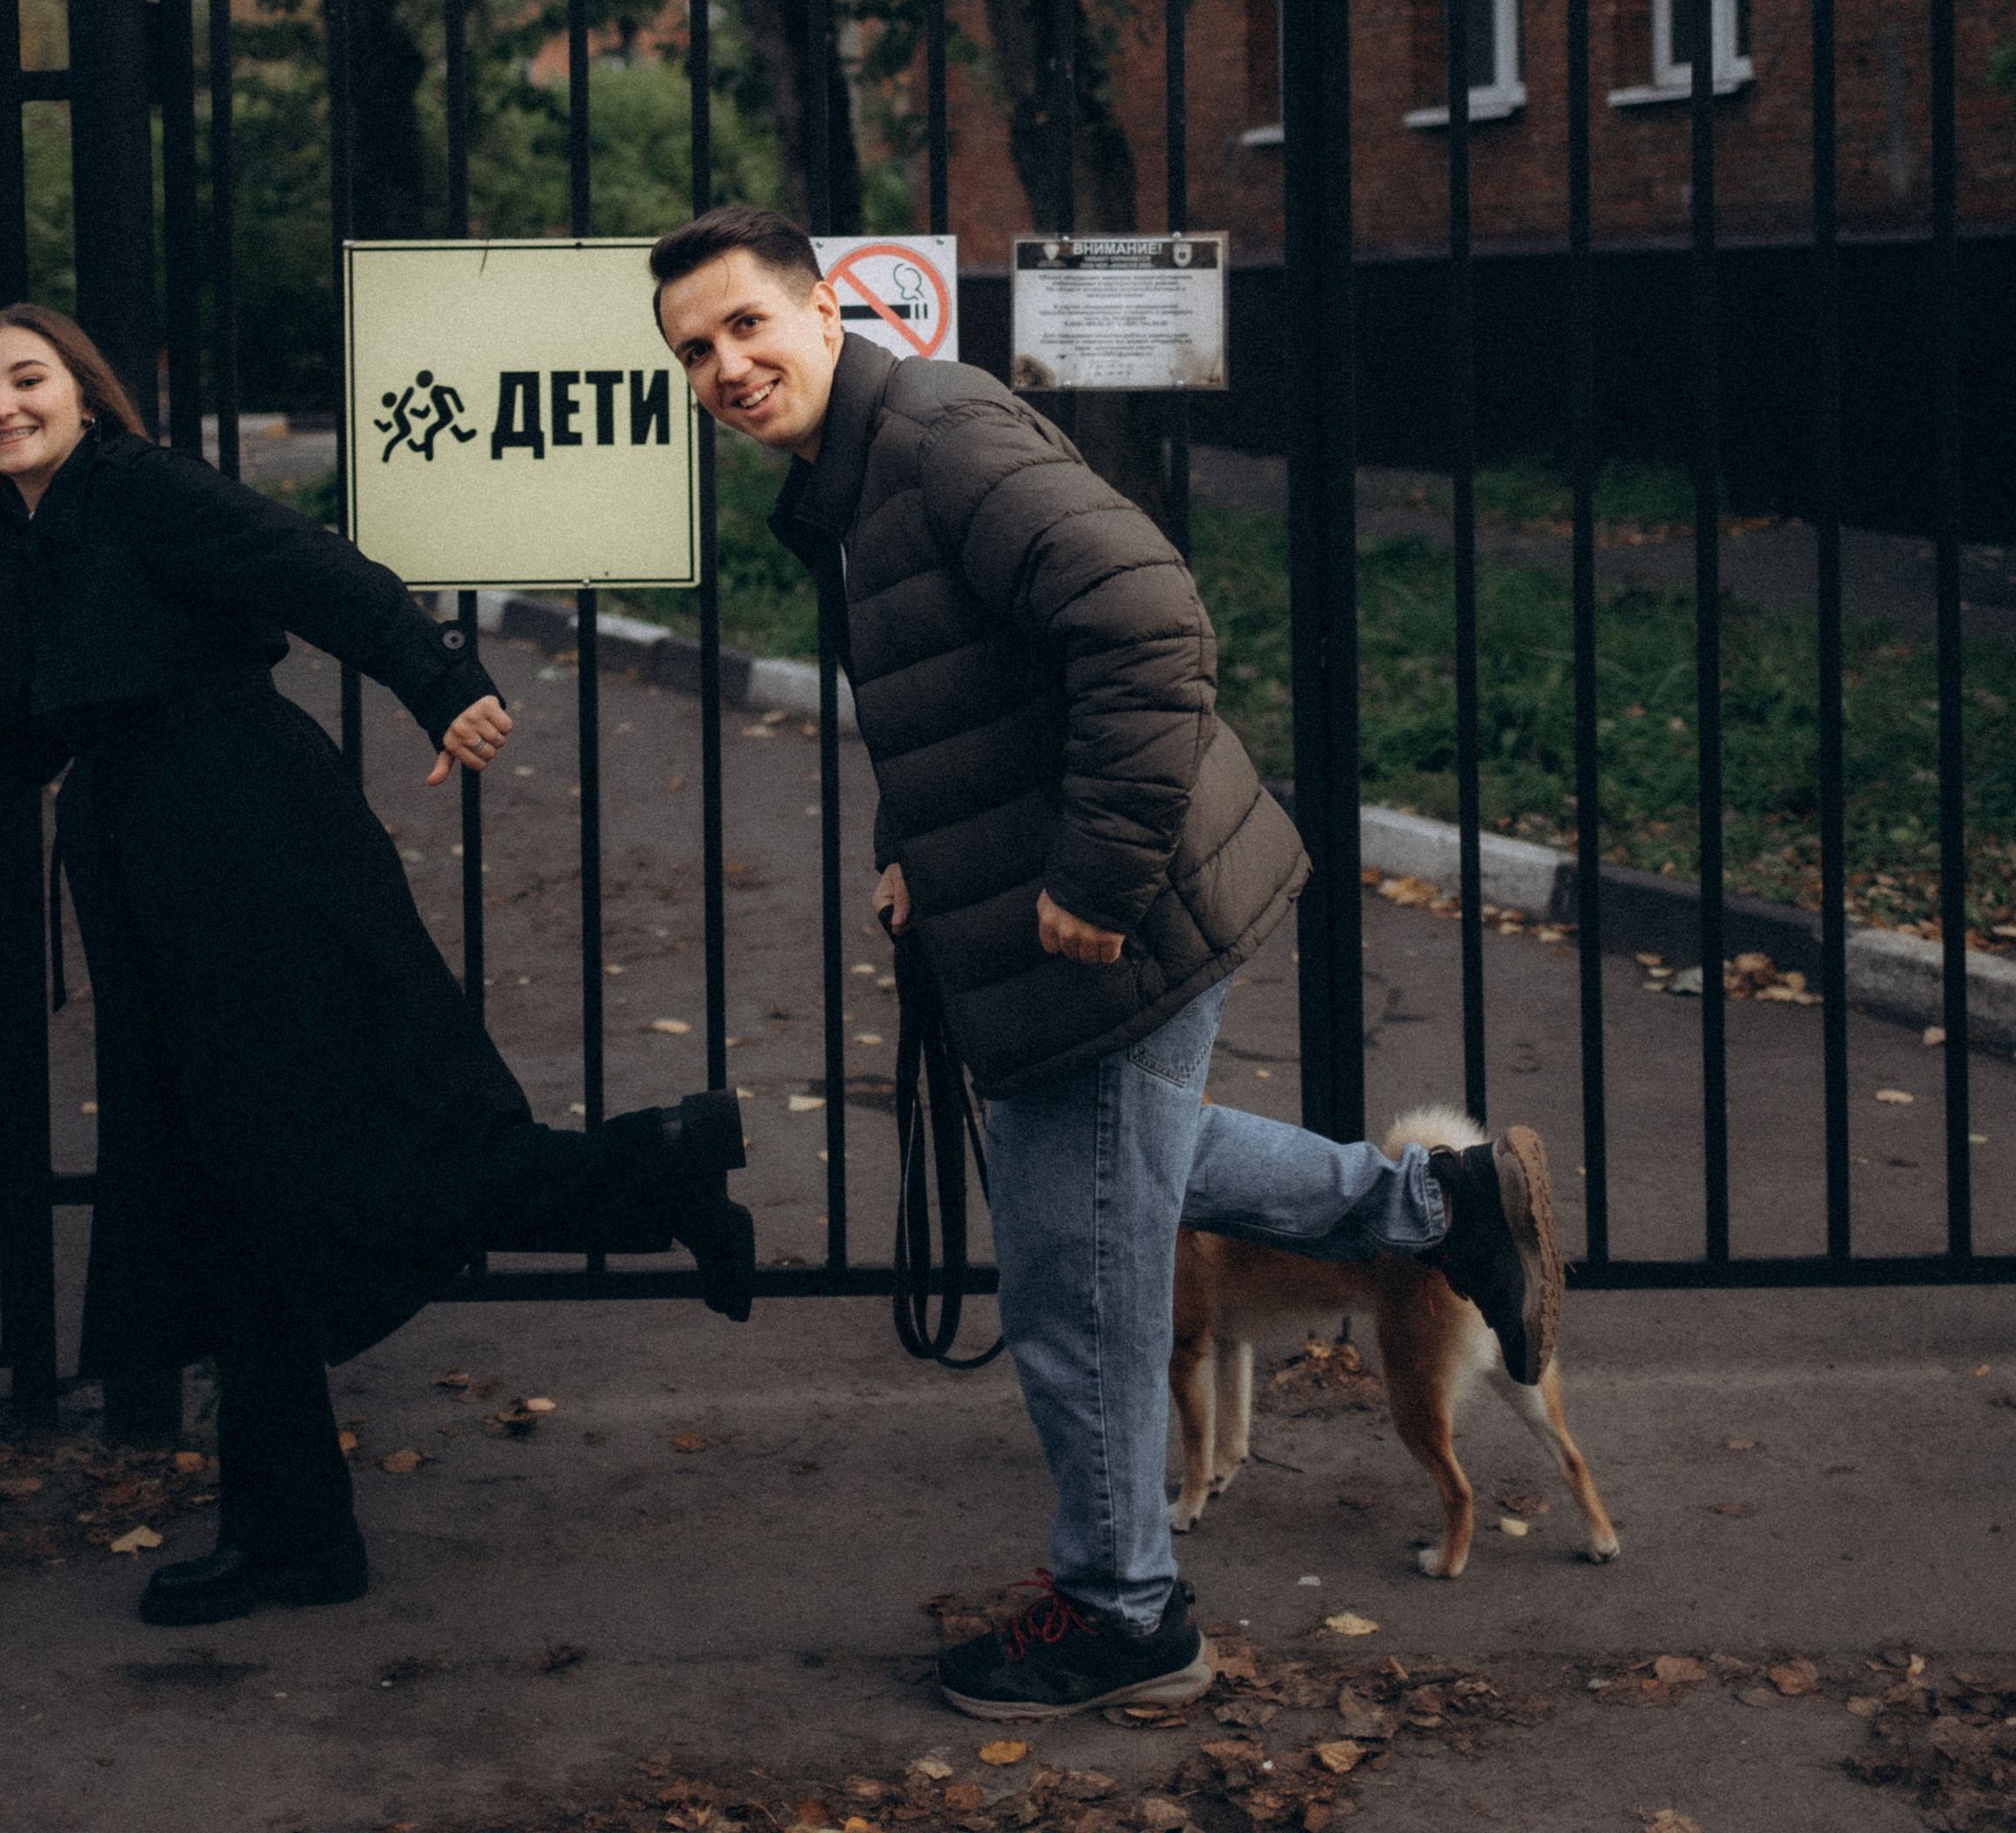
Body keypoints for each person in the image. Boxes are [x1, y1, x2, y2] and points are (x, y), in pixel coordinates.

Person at [650, 206, 1562, 1724]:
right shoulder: (859, 474)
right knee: (1120, 1178)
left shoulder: (936, 438)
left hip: (1115, 923)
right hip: (1057, 923)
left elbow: (1146, 624)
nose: (726, 367)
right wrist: (910, 844)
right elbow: (957, 687)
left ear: (822, 313)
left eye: (747, 325)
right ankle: (1442, 1206)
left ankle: (1127, 1609)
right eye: (694, 351)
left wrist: (1095, 876)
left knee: (1076, 1274)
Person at [0, 305, 754, 1630]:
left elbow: (311, 567)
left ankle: (652, 1171)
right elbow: (30, 743)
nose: (2, 405)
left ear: (85, 392)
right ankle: (301, 1530)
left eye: (28, 379)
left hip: (249, 852)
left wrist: (439, 679)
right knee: (236, 1191)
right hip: (160, 880)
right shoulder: (37, 533)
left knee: (341, 1157)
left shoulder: (137, 485)